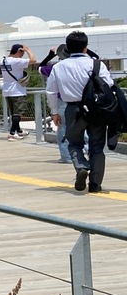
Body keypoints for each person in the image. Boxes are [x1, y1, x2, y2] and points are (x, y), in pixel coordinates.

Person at [46, 31, 115, 193]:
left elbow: (50, 91)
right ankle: (95, 184)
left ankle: (81, 166)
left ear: (68, 48)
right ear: (86, 47)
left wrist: (55, 112)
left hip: (73, 109)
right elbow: (109, 83)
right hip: (97, 110)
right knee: (97, 146)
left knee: (74, 143)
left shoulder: (59, 67)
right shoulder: (96, 64)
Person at [39, 46, 71, 163]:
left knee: (63, 129)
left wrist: (50, 55)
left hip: (63, 101)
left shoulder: (56, 67)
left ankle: (67, 157)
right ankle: (88, 149)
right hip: (83, 102)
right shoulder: (86, 64)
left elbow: (40, 68)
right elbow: (96, 58)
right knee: (83, 128)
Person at [1, 43, 36, 141]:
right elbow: (33, 60)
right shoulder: (16, 61)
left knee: (14, 113)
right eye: (22, 53)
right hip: (17, 91)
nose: (22, 55)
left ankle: (19, 131)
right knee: (18, 113)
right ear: (19, 51)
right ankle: (12, 133)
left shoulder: (3, 60)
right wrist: (28, 50)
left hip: (7, 90)